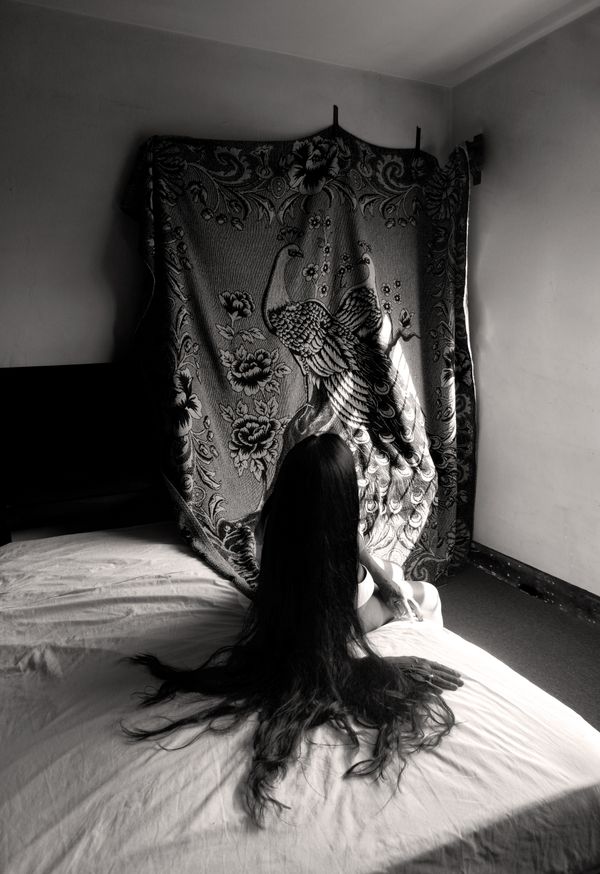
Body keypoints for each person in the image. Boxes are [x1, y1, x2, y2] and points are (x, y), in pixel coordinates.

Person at [125, 433, 462, 825]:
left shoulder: (273, 523)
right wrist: (383, 666)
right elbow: (325, 640)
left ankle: (390, 582)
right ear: (341, 500)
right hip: (341, 605)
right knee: (427, 594)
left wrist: (380, 575)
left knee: (392, 574)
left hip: (308, 595)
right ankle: (431, 635)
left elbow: (350, 541)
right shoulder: (331, 566)